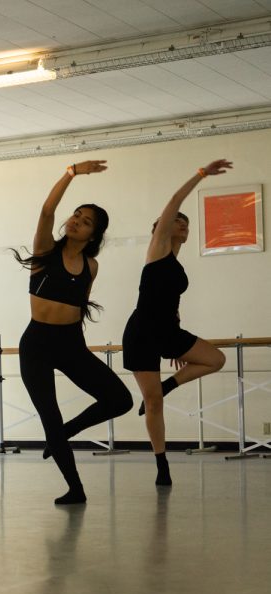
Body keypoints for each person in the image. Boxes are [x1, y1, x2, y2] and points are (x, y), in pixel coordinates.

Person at [12, 160, 132, 505]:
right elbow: (47, 210)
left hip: (70, 344)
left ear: (93, 235)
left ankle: (67, 432)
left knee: (120, 400)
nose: (76, 220)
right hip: (36, 343)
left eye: (86, 220)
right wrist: (71, 173)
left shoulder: (91, 266)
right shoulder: (45, 251)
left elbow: (81, 305)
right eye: (76, 214)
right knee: (49, 414)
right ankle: (75, 488)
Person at [123, 160, 231, 486]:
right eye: (177, 222)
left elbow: (169, 298)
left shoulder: (176, 265)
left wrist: (176, 335)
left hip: (167, 329)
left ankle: (170, 384)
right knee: (153, 403)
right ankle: (161, 464)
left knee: (216, 359)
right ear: (163, 228)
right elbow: (173, 203)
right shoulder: (157, 250)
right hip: (142, 332)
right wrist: (200, 175)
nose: (183, 225)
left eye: (186, 223)